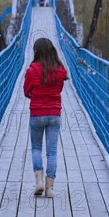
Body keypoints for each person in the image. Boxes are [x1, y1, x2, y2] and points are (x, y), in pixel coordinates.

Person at [23, 38, 68, 198]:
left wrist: (37, 95)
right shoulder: (60, 70)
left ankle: (39, 182)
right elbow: (59, 89)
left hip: (36, 113)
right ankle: (49, 188)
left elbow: (26, 91)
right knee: (52, 151)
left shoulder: (31, 70)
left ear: (36, 52)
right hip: (54, 114)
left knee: (36, 147)